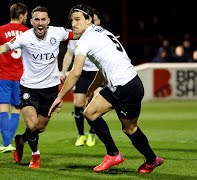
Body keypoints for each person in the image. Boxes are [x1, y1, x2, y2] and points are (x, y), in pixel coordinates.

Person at [49, 4, 163, 174]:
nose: (73, 23)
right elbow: (103, 69)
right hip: (126, 84)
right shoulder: (102, 32)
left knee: (129, 129)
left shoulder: (85, 40)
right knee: (91, 113)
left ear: (89, 20)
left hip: (125, 87)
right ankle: (115, 154)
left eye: (78, 19)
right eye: (72, 20)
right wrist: (91, 90)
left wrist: (59, 96)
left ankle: (149, 160)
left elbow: (75, 72)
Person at [0, 6, 74, 168]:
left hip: (51, 89)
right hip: (29, 88)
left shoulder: (59, 32)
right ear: (31, 21)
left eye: (43, 19)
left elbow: (79, 33)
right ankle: (35, 156)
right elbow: (2, 48)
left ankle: (21, 139)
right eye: (37, 20)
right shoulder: (24, 37)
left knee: (40, 127)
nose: (40, 23)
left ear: (48, 21)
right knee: (32, 124)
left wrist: (98, 34)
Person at [0, 3, 29, 154]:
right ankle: (8, 143)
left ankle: (6, 143)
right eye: (26, 15)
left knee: (2, 108)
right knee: (16, 109)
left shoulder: (0, 30)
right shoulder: (28, 32)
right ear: (21, 16)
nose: (27, 18)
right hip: (22, 78)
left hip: (3, 76)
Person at [60, 8, 102, 147]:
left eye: (95, 20)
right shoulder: (77, 35)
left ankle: (92, 133)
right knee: (78, 104)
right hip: (82, 72)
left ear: (97, 21)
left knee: (95, 104)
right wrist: (63, 71)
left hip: (97, 73)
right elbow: (69, 54)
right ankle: (80, 134)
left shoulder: (102, 36)